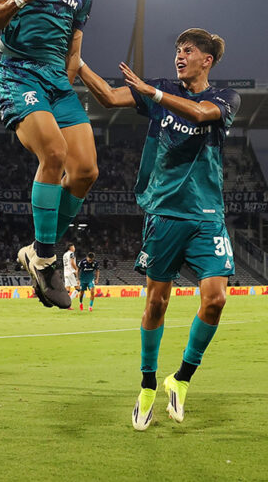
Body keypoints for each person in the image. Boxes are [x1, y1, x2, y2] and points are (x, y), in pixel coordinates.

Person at [77, 28, 241, 430]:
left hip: (206, 215)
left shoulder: (225, 98)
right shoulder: (162, 89)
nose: (179, 56)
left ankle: (180, 378)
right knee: (156, 304)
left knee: (216, 299)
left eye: (188, 51)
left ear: (208, 60)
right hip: (164, 213)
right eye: (177, 51)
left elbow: (201, 114)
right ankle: (148, 385)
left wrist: (153, 95)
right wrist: (78, 62)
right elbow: (108, 97)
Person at [0, 0, 97, 310]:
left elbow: (74, 51)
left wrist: (68, 85)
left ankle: (35, 248)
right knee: (54, 152)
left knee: (85, 171)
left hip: (57, 82)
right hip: (19, 71)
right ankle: (47, 259)